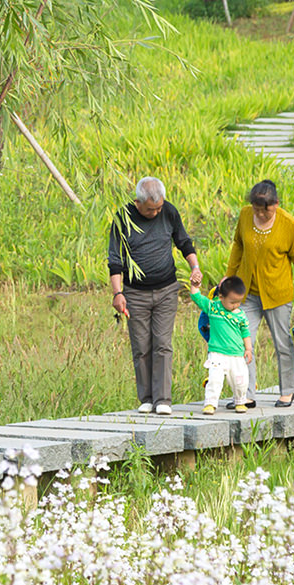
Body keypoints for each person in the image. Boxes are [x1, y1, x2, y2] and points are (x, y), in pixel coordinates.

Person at [107, 177, 203, 415]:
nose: (156, 212)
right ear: (138, 203)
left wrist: (195, 267)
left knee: (162, 344)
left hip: (166, 290)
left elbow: (183, 242)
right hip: (135, 293)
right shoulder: (123, 218)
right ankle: (147, 398)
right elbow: (115, 260)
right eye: (151, 209)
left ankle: (163, 400)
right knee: (141, 346)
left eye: (159, 207)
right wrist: (118, 293)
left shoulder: (168, 211)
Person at [223, 179, 294, 407]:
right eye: (257, 210)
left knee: (283, 344)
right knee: (243, 344)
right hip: (247, 293)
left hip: (277, 294)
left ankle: (287, 391)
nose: (261, 215)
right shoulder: (245, 215)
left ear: (276, 204)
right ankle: (246, 395)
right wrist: (229, 275)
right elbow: (238, 246)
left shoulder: (287, 223)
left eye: (267, 211)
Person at [188, 276, 254, 415]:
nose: (235, 305)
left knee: (240, 380)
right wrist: (194, 285)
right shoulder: (213, 308)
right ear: (221, 297)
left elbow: (245, 333)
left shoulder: (241, 315)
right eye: (232, 302)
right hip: (217, 353)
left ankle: (240, 401)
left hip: (237, 354)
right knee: (214, 379)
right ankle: (210, 403)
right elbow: (197, 297)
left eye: (238, 302)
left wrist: (248, 349)